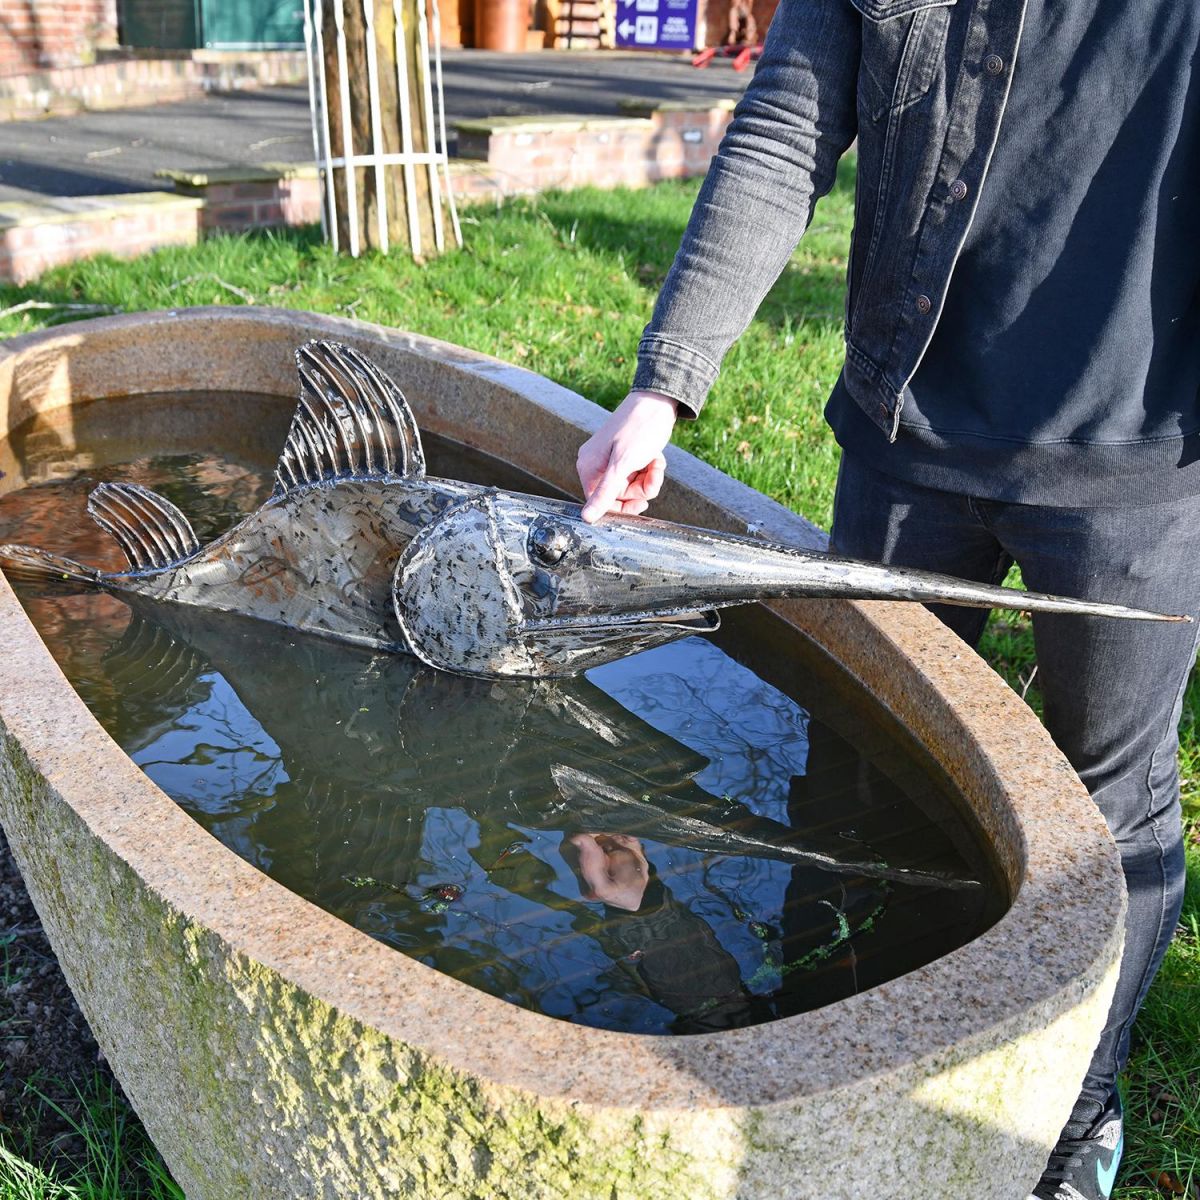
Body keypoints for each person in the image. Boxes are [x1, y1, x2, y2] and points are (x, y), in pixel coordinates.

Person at [574, 2, 1200, 1197]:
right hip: (906, 436)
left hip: (1141, 470)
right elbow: (782, 135)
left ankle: (1065, 1119)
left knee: (1107, 807)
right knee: (863, 761)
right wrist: (662, 389)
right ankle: (826, 1045)